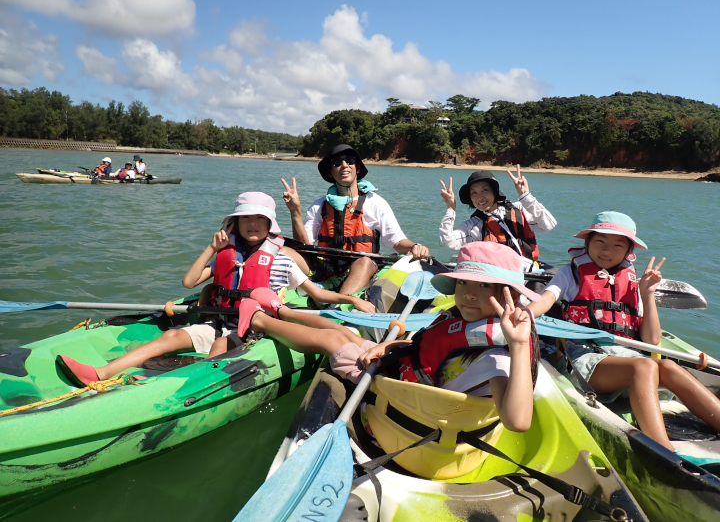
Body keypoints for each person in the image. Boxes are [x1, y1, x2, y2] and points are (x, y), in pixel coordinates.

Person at [56, 192, 374, 387]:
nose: (252, 224)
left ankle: (184, 386)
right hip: (217, 319)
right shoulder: (226, 255)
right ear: (233, 223)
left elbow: (317, 295)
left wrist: (349, 299)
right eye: (244, 218)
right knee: (170, 337)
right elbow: (190, 282)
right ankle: (101, 372)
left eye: (258, 219)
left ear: (269, 224)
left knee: (220, 346)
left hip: (253, 329)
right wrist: (210, 248)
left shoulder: (281, 260)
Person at [232, 241, 539, 432]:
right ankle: (283, 311)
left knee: (334, 342)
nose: (469, 294)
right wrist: (389, 345)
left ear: (509, 294)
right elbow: (426, 348)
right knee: (343, 330)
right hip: (399, 369)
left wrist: (520, 343)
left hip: (403, 402)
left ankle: (260, 320)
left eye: (484, 286)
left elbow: (518, 421)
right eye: (462, 284)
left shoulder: (498, 356)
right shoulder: (462, 322)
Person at [527, 211, 720, 459]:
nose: (607, 251)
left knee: (668, 367)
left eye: (617, 245)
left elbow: (651, 341)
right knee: (644, 368)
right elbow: (545, 300)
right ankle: (664, 453)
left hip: (626, 357)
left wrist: (647, 294)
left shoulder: (633, 282)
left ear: (629, 251)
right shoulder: (571, 274)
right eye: (600, 242)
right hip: (584, 360)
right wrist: (524, 315)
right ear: (588, 243)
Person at [281, 144, 430, 295]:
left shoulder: (375, 202)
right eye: (336, 163)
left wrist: (414, 247)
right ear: (330, 173)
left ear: (357, 168)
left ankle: (338, 304)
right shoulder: (320, 205)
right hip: (326, 268)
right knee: (285, 251)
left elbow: (396, 241)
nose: (344, 165)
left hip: (360, 268)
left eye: (350, 160)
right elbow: (304, 246)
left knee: (365, 262)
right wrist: (295, 212)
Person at [439, 167, 556, 272]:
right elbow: (447, 241)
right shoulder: (473, 225)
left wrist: (526, 196)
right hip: (498, 277)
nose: (480, 197)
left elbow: (549, 224)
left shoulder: (519, 208)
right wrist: (451, 209)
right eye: (474, 193)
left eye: (485, 190)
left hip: (529, 273)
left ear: (495, 192)